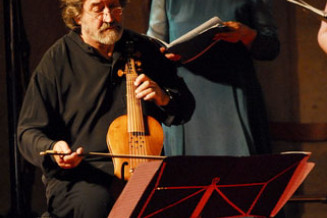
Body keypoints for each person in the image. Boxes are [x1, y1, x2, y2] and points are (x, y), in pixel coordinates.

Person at [17, 0, 195, 217]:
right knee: (96, 202)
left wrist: (164, 97)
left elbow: (185, 107)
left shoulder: (144, 48)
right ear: (77, 16)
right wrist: (55, 149)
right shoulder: (57, 61)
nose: (110, 18)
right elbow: (27, 132)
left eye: (114, 7)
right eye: (98, 9)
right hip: (83, 176)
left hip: (143, 172)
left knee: (183, 200)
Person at [147, 0, 280, 156]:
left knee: (242, 170)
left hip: (233, 92)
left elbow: (271, 47)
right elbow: (153, 46)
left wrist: (246, 34)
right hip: (185, 98)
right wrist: (164, 53)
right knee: (187, 171)